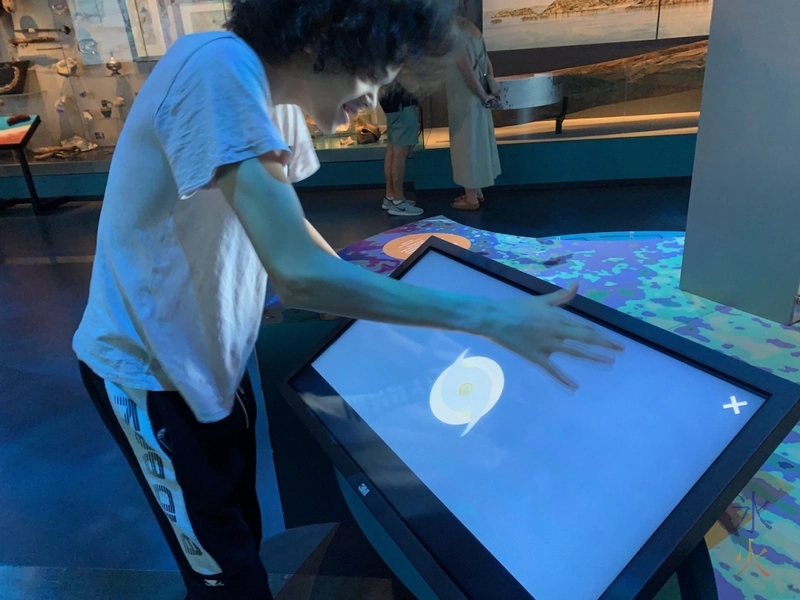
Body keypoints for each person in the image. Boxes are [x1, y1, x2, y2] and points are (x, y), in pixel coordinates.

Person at [72, 1, 622, 598]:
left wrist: (390, 316)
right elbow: (298, 274)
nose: (372, 100)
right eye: (376, 76)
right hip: (145, 372)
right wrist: (485, 318)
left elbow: (292, 232)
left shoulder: (267, 100)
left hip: (209, 357)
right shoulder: (217, 69)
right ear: (329, 38)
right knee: (221, 571)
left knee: (237, 531)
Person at [446, 12, 503, 211]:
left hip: (466, 98)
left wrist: (482, 95)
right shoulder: (471, 27)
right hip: (476, 96)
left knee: (466, 145)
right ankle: (476, 191)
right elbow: (486, 61)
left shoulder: (453, 33)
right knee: (477, 143)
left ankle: (471, 198)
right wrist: (490, 85)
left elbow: (467, 72)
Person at [380, 83, 424, 216]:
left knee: (392, 150)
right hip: (402, 105)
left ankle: (390, 197)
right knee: (399, 153)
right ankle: (398, 202)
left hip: (391, 104)